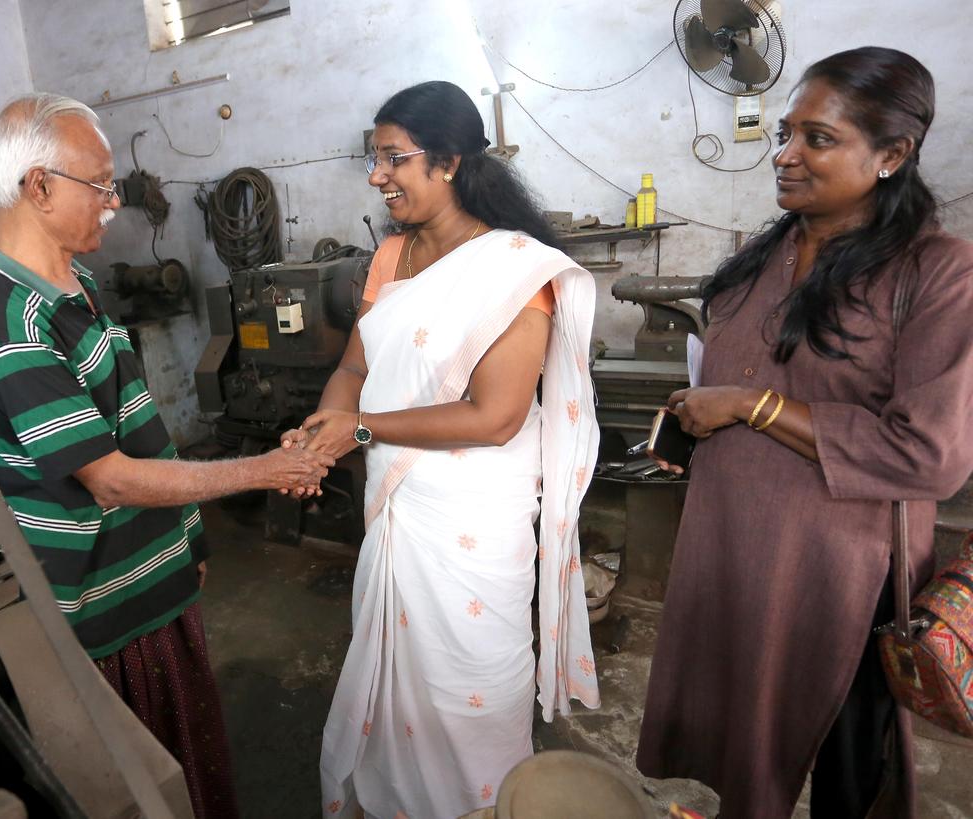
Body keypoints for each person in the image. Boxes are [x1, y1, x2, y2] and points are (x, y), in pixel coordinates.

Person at [0, 93, 333, 819]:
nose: (114, 201)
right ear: (38, 186)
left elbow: (135, 426)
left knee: (192, 767)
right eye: (101, 185)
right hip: (101, 608)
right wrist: (264, 470)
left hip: (152, 575)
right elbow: (113, 478)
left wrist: (186, 537)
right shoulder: (6, 322)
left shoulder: (76, 282)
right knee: (138, 783)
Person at [636, 48, 973, 819]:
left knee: (839, 760)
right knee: (712, 749)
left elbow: (932, 453)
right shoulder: (760, 263)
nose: (784, 155)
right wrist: (697, 414)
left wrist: (750, 407)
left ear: (891, 155)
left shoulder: (938, 273)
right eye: (785, 133)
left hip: (833, 572)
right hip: (723, 549)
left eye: (817, 138)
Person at [281, 80, 600, 819]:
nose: (376, 175)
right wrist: (323, 434)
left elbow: (493, 416)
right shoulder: (391, 254)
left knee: (469, 681)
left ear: (449, 161)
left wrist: (360, 430)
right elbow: (355, 368)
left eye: (394, 158)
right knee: (397, 675)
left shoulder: (517, 267)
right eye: (373, 158)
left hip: (473, 517)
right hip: (399, 501)